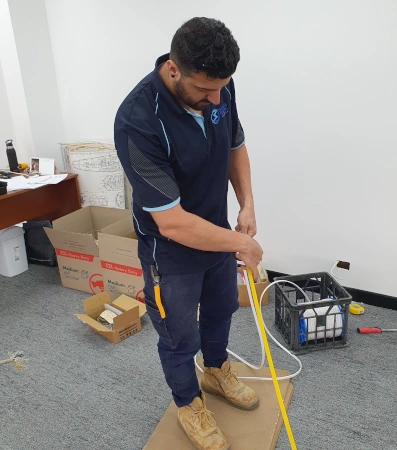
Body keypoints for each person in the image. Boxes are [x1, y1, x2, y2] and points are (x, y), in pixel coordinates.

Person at [114, 17, 263, 450]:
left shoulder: (218, 86)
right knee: (179, 334)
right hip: (171, 251)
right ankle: (187, 402)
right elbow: (173, 222)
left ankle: (216, 369)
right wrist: (242, 243)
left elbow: (235, 145)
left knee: (220, 311)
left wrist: (247, 205)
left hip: (216, 235)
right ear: (174, 69)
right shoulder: (137, 121)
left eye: (222, 88)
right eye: (205, 90)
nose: (216, 98)